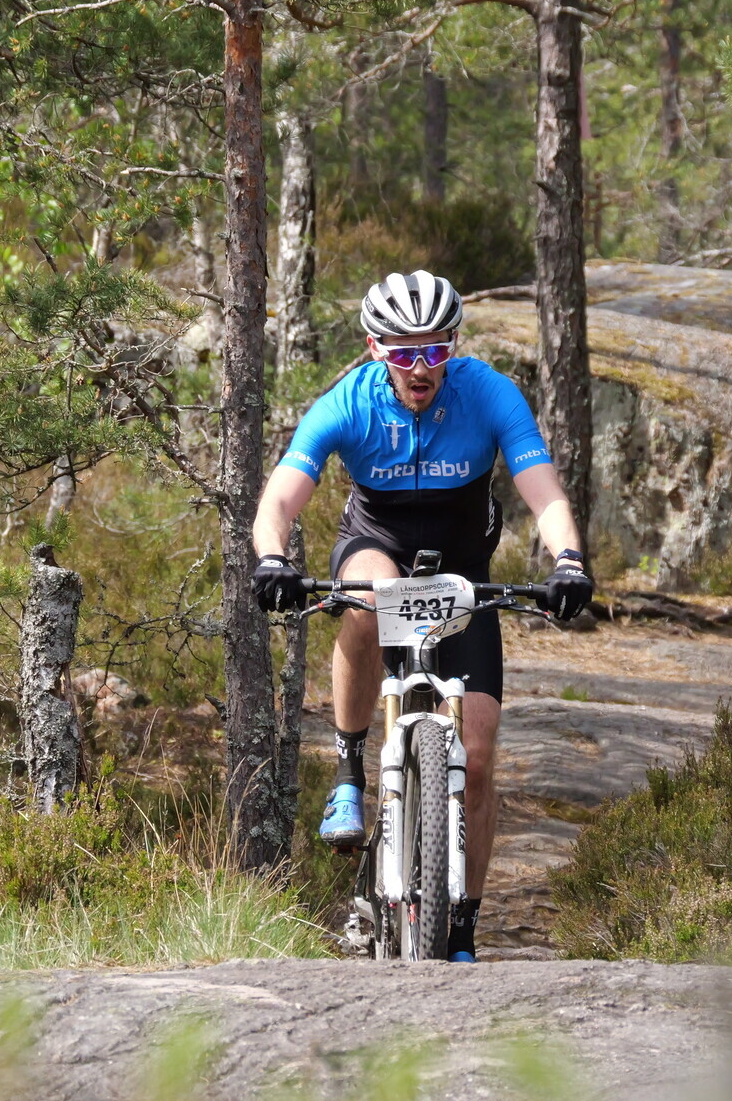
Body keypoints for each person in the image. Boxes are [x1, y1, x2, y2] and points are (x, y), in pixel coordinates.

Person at [250, 269, 593, 962]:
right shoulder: (349, 402)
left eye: (435, 350)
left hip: (462, 569)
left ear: (453, 347)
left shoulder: (488, 394)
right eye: (404, 352)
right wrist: (272, 557)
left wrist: (569, 560)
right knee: (369, 599)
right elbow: (280, 498)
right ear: (376, 349)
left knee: (481, 756)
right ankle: (349, 771)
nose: (420, 367)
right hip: (376, 544)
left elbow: (544, 492)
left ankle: (461, 924)